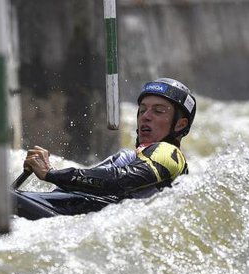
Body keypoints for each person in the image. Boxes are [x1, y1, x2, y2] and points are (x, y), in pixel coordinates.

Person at [17, 78, 196, 216]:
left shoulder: (170, 153)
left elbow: (118, 181)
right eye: (142, 110)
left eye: (158, 111)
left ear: (179, 124)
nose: (145, 117)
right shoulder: (133, 157)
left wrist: (51, 173)